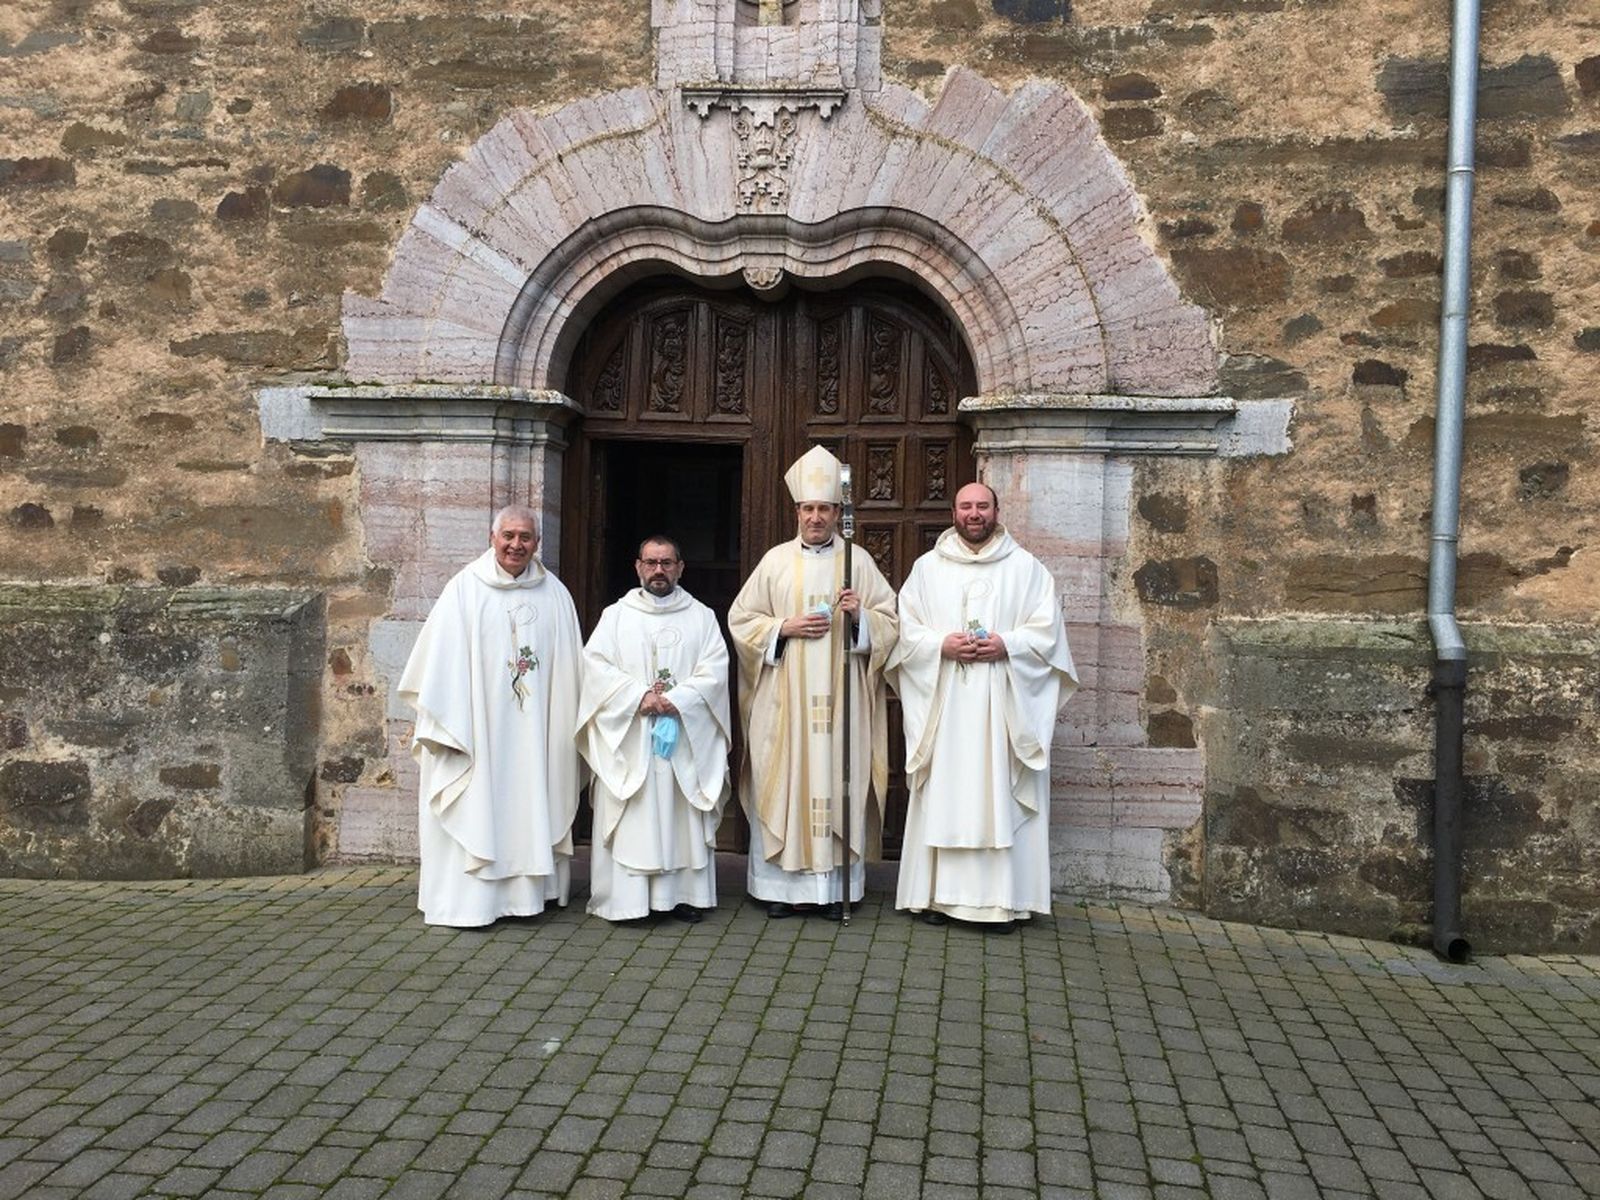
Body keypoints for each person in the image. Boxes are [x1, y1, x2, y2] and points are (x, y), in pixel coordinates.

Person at [890, 482, 1077, 932]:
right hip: (947, 703)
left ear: (996, 510)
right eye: (966, 506)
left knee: (996, 789)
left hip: (1002, 706)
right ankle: (936, 897)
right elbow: (906, 631)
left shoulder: (1026, 569)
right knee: (947, 790)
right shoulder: (927, 569)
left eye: (982, 506)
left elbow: (1048, 634)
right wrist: (941, 644)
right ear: (953, 512)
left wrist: (1007, 644)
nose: (974, 514)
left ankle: (1001, 903)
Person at [728, 445, 898, 918]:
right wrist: (783, 628)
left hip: (842, 704)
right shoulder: (776, 562)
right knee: (783, 780)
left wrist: (861, 617)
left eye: (825, 508)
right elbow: (741, 619)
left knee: (836, 782)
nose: (816, 517)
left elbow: (892, 620)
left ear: (837, 512)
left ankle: (833, 893)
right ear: (797, 511)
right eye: (809, 508)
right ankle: (779, 891)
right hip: (785, 703)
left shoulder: (857, 562)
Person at [399, 504, 584, 927]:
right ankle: (469, 902)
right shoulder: (464, 589)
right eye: (509, 536)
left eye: (526, 538)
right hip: (477, 731)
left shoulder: (555, 595)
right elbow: (440, 668)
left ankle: (525, 898)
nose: (516, 545)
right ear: (492, 537)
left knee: (530, 794)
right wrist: (451, 723)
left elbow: (570, 672)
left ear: (537, 543)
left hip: (535, 732)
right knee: (478, 797)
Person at [577, 537, 731, 924]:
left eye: (666, 563)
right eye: (651, 562)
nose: (658, 570)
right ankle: (629, 902)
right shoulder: (616, 616)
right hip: (632, 735)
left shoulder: (701, 616)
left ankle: (682, 897)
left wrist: (679, 699)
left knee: (681, 813)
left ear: (680, 567)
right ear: (638, 567)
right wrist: (637, 696)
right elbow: (595, 666)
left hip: (683, 734)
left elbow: (715, 669)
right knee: (637, 811)